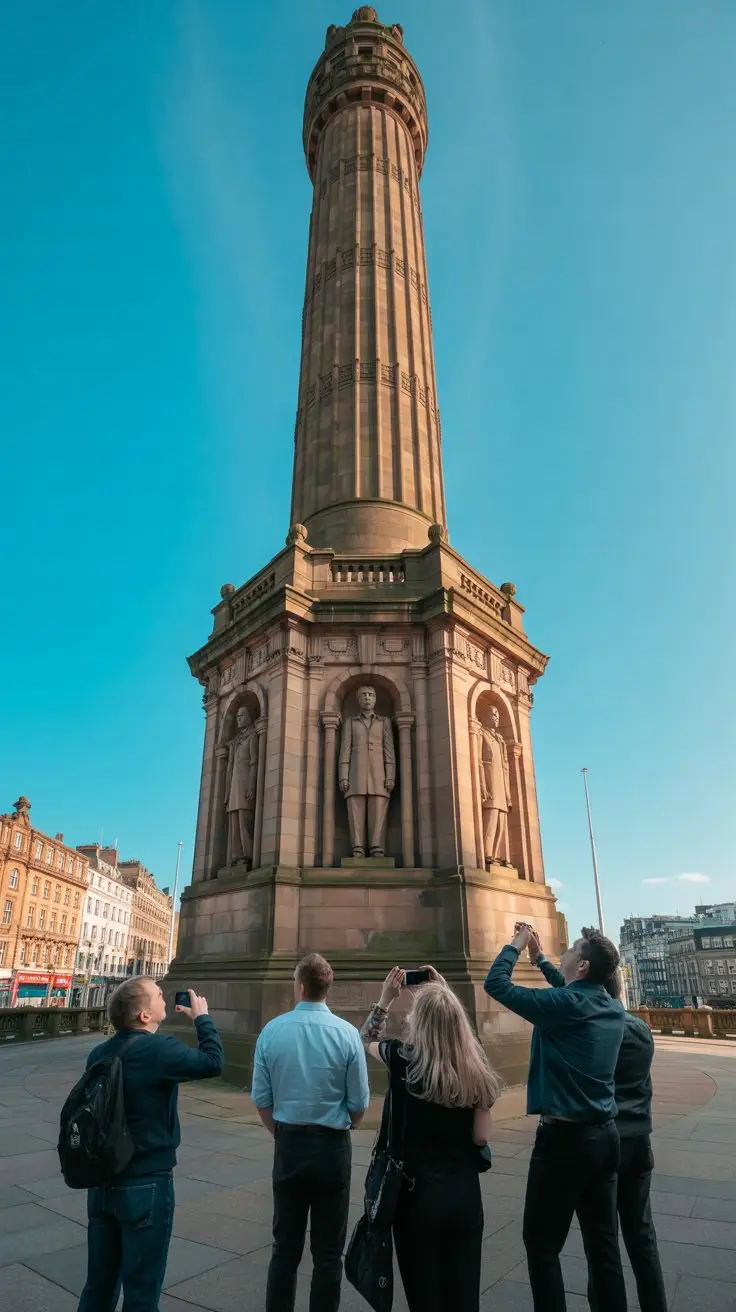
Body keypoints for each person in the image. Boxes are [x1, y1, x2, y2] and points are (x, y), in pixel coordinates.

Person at [484, 924, 627, 1312]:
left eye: (570, 952)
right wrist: (541, 959)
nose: (563, 954)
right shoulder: (611, 1006)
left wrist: (515, 945)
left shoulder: (566, 1008)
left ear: (582, 966)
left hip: (565, 1143)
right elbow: (569, 992)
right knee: (604, 1248)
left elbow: (496, 985)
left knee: (542, 1246)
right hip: (606, 1138)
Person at [528, 932, 667, 1311]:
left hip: (604, 1140)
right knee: (641, 1238)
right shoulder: (639, 1029)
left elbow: (569, 1003)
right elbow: (570, 994)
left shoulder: (595, 1026)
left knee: (599, 1240)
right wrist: (542, 961)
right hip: (640, 1143)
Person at [77, 976, 223, 1312]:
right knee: (141, 1294)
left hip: (101, 1185)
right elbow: (213, 1062)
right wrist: (202, 1018)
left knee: (98, 1288)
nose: (164, 998)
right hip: (145, 1184)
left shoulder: (99, 1053)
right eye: (158, 995)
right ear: (144, 1015)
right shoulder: (159, 1049)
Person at [360, 965, 501, 1312]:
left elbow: (365, 1040)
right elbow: (481, 1138)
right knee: (463, 1298)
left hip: (415, 1198)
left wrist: (384, 1000)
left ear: (417, 1022)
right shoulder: (479, 1075)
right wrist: (444, 992)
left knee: (425, 1299)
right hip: (464, 1198)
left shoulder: (402, 1061)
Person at [251, 952, 370, 1312]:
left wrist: (281, 1132)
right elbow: (359, 1103)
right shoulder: (348, 1035)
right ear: (326, 988)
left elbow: (262, 1097)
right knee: (329, 1253)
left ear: (300, 986)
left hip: (289, 1144)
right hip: (332, 1148)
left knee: (284, 1249)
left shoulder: (272, 1031)